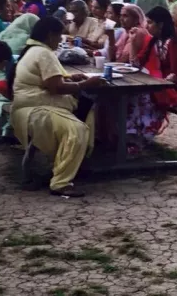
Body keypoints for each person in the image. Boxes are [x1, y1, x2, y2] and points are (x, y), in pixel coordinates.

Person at [9, 17, 106, 197]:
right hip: (34, 108)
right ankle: (60, 182)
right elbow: (55, 87)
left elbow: (52, 79)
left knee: (86, 114)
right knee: (77, 130)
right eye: (59, 36)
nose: (60, 40)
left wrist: (69, 77)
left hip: (28, 107)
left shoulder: (34, 49)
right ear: (49, 35)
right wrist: (85, 84)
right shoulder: (43, 53)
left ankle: (72, 163)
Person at [125, 6, 177, 144]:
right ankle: (131, 134)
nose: (146, 26)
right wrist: (132, 42)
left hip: (175, 89)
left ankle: (143, 135)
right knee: (132, 96)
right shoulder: (153, 42)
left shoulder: (173, 44)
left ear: (160, 24)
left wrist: (158, 82)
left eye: (149, 22)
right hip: (159, 84)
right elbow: (136, 64)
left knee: (144, 97)